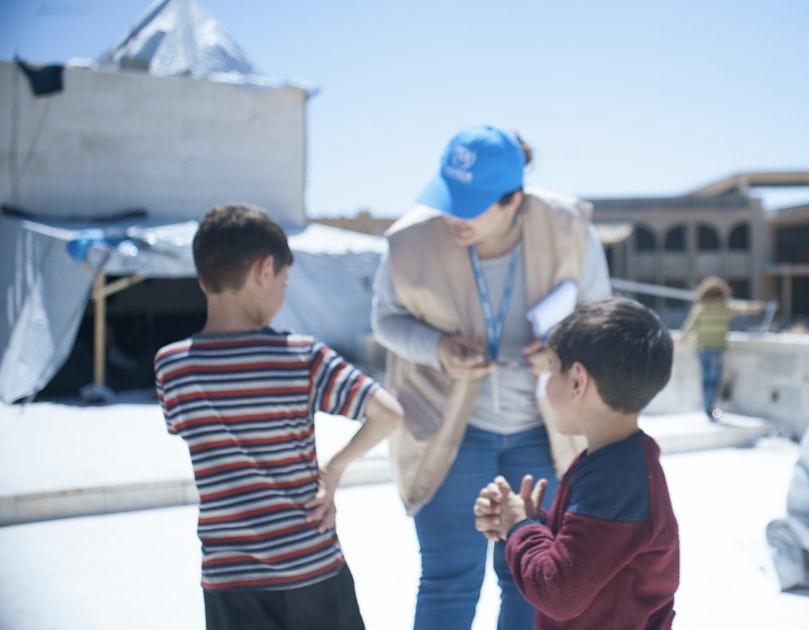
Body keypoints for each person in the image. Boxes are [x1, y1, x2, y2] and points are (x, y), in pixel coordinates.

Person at [371, 124, 612, 629]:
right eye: (449, 197)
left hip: (541, 433)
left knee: (532, 582)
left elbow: (602, 314)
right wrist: (437, 348)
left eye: (472, 202)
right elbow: (385, 321)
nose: (455, 214)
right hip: (448, 433)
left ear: (514, 201)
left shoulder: (568, 227)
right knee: (447, 580)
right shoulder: (410, 239)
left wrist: (563, 349)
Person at [154, 203, 404, 630]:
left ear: (202, 277)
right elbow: (387, 413)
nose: (283, 292)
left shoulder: (172, 366)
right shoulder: (301, 356)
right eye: (285, 281)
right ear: (264, 270)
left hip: (227, 576)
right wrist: (333, 470)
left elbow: (187, 432)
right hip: (309, 564)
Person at [473, 297, 680, 629]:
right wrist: (532, 521)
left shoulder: (616, 480)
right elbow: (591, 557)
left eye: (552, 368)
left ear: (576, 382)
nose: (547, 382)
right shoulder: (618, 463)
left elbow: (559, 592)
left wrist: (519, 528)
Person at [677, 275, 763, 421]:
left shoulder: (701, 308)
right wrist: (753, 307)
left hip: (702, 348)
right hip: (717, 348)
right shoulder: (724, 307)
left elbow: (689, 326)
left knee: (705, 379)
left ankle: (706, 407)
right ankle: (711, 408)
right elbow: (741, 308)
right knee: (714, 380)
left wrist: (680, 342)